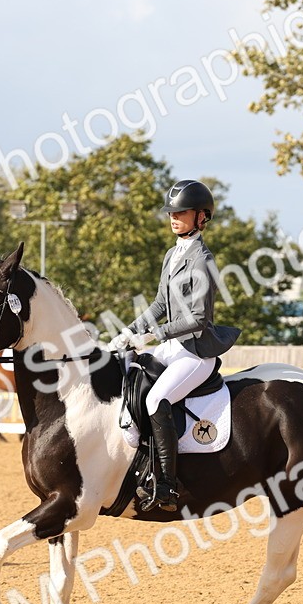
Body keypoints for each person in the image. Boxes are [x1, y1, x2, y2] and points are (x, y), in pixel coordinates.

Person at [110, 179, 241, 509]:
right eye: (171, 212)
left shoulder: (203, 260)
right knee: (132, 377)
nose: (173, 217)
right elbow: (159, 304)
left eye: (181, 212)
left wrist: (153, 335)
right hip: (173, 346)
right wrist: (129, 332)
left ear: (201, 217)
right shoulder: (172, 254)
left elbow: (198, 318)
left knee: (157, 399)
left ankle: (167, 485)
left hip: (196, 351)